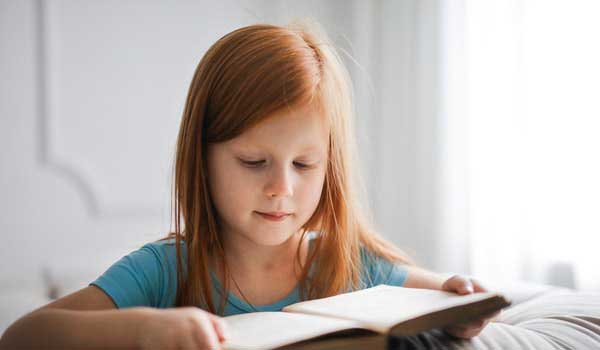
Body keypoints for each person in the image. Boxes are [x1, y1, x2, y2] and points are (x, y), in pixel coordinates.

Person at [0, 20, 499, 350]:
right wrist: (145, 327)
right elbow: (23, 335)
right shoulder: (165, 269)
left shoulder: (344, 260)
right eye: (254, 161)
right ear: (204, 159)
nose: (281, 187)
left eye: (304, 165)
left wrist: (459, 305)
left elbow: (446, 296)